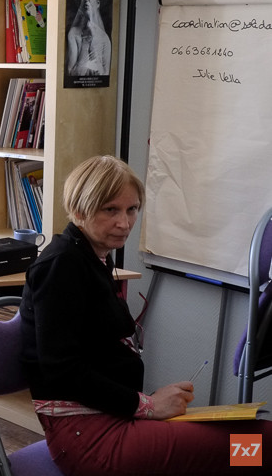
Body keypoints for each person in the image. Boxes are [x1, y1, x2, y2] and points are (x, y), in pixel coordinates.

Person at [19, 155, 271, 475]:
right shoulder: (61, 265)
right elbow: (62, 371)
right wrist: (147, 405)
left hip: (114, 415)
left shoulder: (91, 256)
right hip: (90, 437)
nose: (125, 223)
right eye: (111, 210)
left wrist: (145, 404)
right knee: (257, 445)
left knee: (250, 439)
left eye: (132, 209)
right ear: (80, 209)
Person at [66, 0, 111, 77]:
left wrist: (93, 37)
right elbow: (70, 72)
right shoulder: (73, 34)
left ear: (98, 3)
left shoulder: (104, 38)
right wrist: (86, 42)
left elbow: (105, 75)